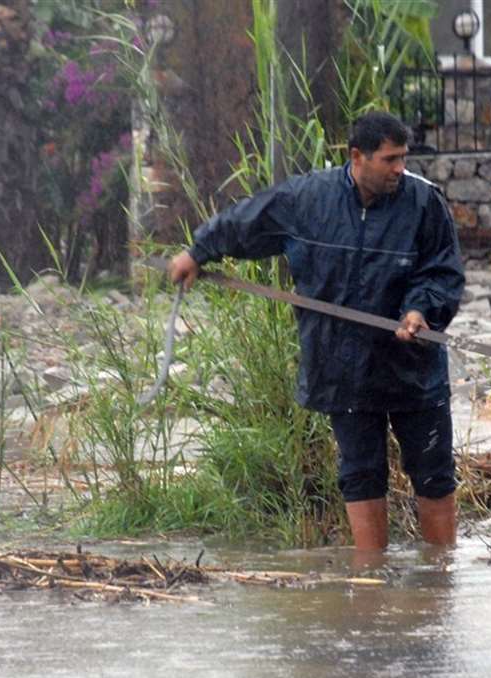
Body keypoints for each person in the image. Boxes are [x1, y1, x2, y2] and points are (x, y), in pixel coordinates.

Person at [168, 110, 465, 551]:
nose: (400, 169)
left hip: (413, 369)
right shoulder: (309, 198)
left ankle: (442, 580)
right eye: (389, 159)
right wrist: (198, 252)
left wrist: (421, 310)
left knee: (434, 475)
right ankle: (371, 583)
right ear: (356, 157)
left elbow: (442, 272)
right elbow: (247, 222)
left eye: (403, 157)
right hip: (341, 367)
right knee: (360, 476)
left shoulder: (425, 203)